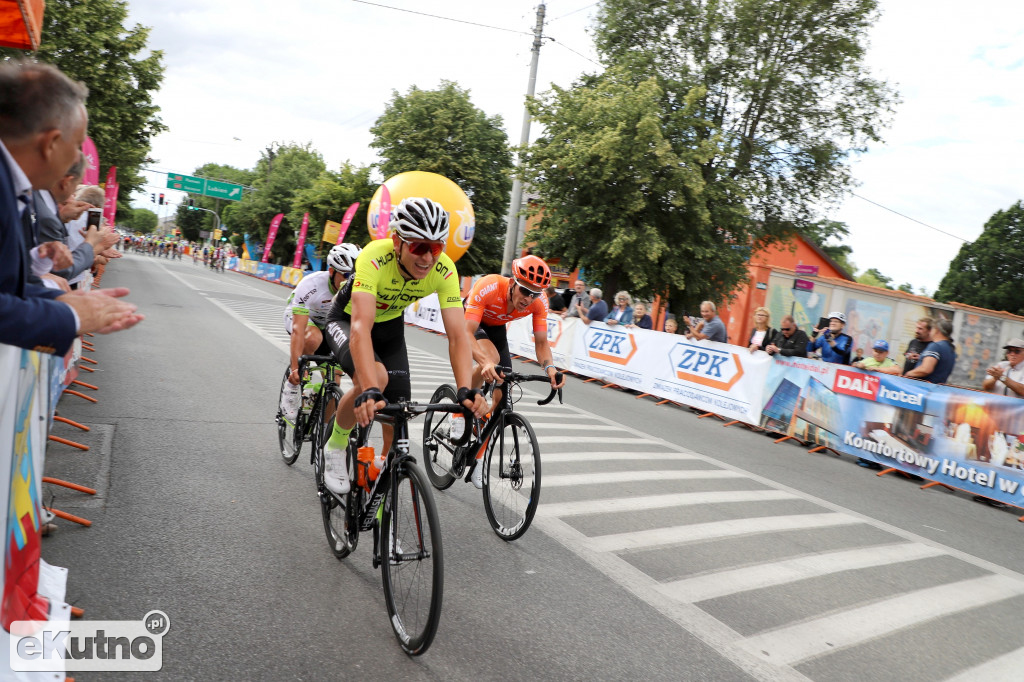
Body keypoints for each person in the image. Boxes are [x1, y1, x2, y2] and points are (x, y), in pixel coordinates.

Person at [321, 197, 487, 494]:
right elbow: (361, 326)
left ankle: (384, 515)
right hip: (348, 319)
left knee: (398, 423)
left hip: (390, 326)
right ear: (397, 241)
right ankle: (335, 444)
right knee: (375, 380)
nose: (427, 258)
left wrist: (464, 389)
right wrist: (369, 387)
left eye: (436, 248)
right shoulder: (374, 257)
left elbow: (458, 335)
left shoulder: (444, 270)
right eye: (419, 247)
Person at [0, 60, 142, 355]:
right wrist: (71, 316)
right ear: (51, 143)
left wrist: (59, 302)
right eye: (78, 145)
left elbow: (8, 289)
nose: (80, 159)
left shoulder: (16, 191)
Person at [463, 256, 566, 488]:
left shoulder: (538, 303)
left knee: (501, 401)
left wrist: (550, 368)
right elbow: (465, 331)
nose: (528, 299)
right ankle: (461, 411)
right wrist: (485, 362)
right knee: (492, 360)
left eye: (534, 294)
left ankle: (478, 460)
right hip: (472, 322)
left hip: (497, 328)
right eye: (524, 291)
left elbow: (541, 343)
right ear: (512, 283)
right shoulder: (489, 285)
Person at [279, 243, 361, 420]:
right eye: (346, 276)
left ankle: (322, 432)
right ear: (332, 272)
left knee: (334, 379)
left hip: (330, 325)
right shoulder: (312, 285)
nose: (351, 282)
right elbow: (298, 331)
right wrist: (295, 368)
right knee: (313, 337)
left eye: (354, 277)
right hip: (303, 320)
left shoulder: (357, 291)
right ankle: (295, 384)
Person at [904, 318, 956, 384]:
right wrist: (921, 358)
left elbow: (925, 370)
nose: (930, 331)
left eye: (932, 329)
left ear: (937, 330)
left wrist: (908, 374)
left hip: (924, 388)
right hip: (938, 388)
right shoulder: (950, 348)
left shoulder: (935, 346)